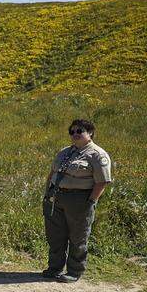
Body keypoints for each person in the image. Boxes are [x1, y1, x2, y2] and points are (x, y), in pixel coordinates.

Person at [43, 119, 112, 283]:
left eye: (79, 131)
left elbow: (102, 181)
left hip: (79, 199)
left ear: (90, 133)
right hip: (56, 197)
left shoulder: (97, 155)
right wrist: (47, 194)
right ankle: (55, 268)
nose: (75, 134)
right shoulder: (65, 152)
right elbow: (52, 172)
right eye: (72, 131)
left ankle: (74, 271)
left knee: (78, 236)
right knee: (56, 235)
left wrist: (90, 202)